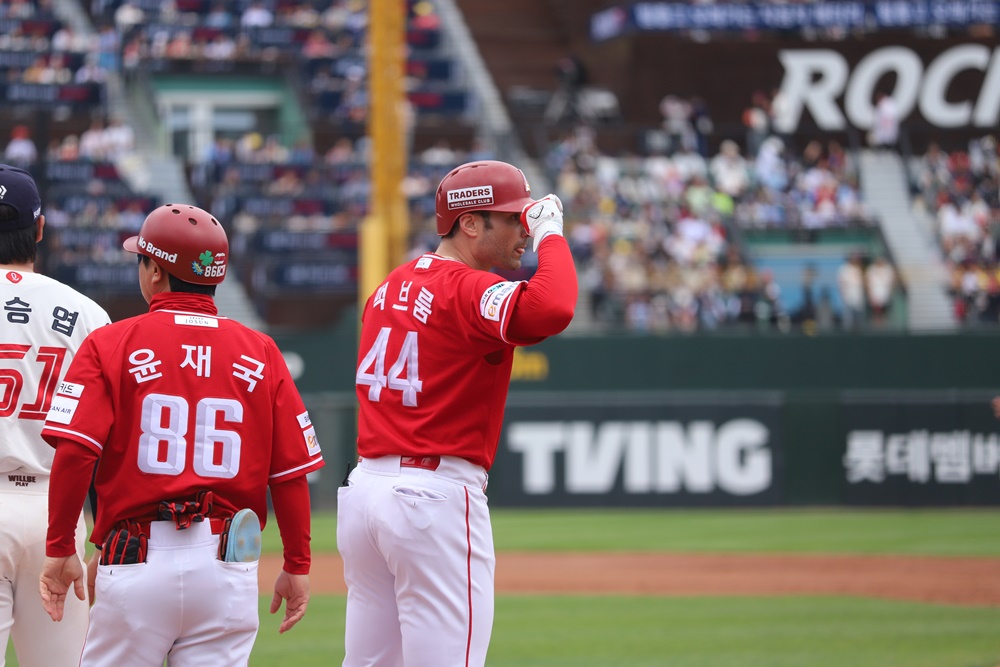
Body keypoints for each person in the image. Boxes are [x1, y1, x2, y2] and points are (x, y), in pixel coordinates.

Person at [38, 203, 324, 665]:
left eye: (142, 259)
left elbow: (76, 454)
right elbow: (290, 472)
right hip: (227, 568)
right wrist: (297, 563)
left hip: (136, 560)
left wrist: (59, 548)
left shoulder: (110, 343)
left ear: (156, 271)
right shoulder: (261, 351)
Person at [337, 160, 577, 666]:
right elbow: (552, 307)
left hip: (365, 495)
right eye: (512, 218)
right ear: (469, 222)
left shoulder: (389, 286)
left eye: (527, 219)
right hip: (431, 498)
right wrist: (552, 234)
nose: (524, 229)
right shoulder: (465, 288)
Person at [0, 165, 110, 666]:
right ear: (40, 228)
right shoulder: (87, 313)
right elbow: (107, 437)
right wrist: (105, 533)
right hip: (57, 511)